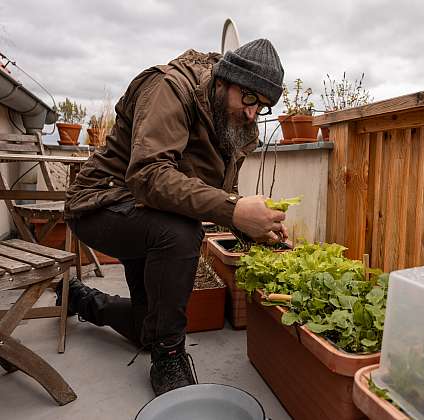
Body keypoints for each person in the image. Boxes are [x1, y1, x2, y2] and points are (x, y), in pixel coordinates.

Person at [59, 39, 288, 396]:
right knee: (181, 232)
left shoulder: (232, 122)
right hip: (101, 204)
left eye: (263, 107)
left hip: (147, 213)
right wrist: (234, 211)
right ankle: (169, 358)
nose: (252, 114)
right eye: (249, 99)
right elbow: (149, 176)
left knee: (145, 329)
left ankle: (79, 298)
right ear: (224, 81)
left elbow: (212, 192)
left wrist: (250, 225)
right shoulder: (170, 88)